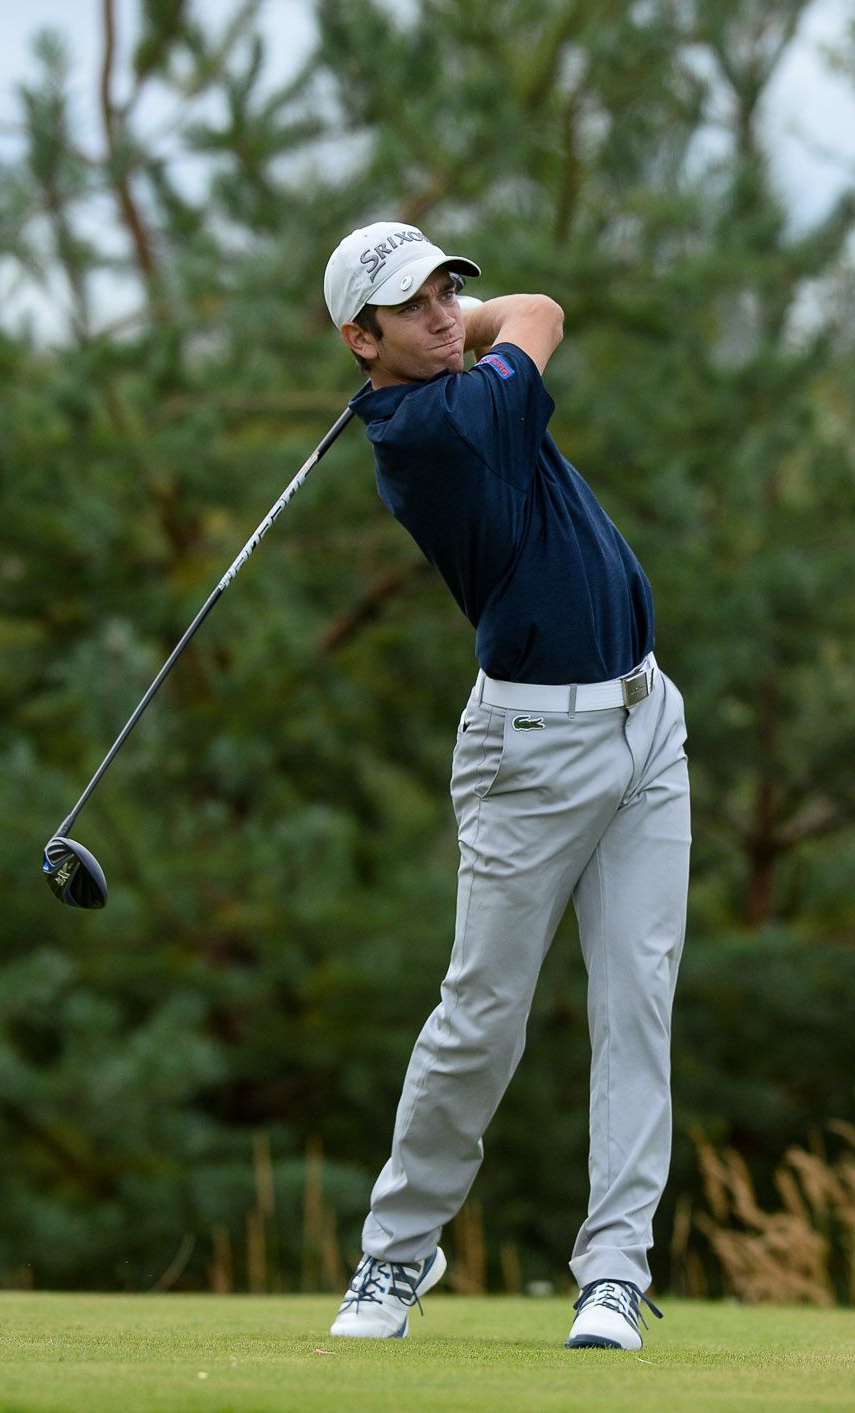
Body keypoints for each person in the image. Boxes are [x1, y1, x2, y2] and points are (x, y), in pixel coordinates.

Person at [318, 221, 690, 1351]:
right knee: (482, 1016)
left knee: (637, 1004)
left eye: (447, 291)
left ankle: (614, 1271)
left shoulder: (448, 383)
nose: (444, 314)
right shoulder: (435, 428)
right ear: (358, 338)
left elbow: (512, 317)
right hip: (529, 756)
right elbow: (539, 311)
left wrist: (434, 331)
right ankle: (396, 1252)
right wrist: (468, 334)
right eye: (412, 305)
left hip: (647, 726)